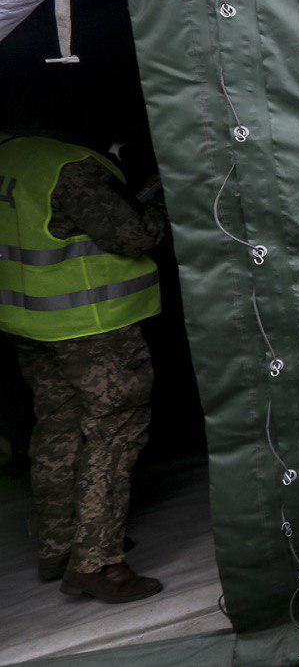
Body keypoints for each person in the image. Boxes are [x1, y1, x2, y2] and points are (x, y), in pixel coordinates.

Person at [0, 133, 166, 601]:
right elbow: (133, 236)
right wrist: (158, 203)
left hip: (31, 322)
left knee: (58, 427)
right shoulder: (66, 167)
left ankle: (57, 546)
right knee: (115, 429)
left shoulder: (9, 158)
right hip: (92, 325)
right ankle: (98, 563)